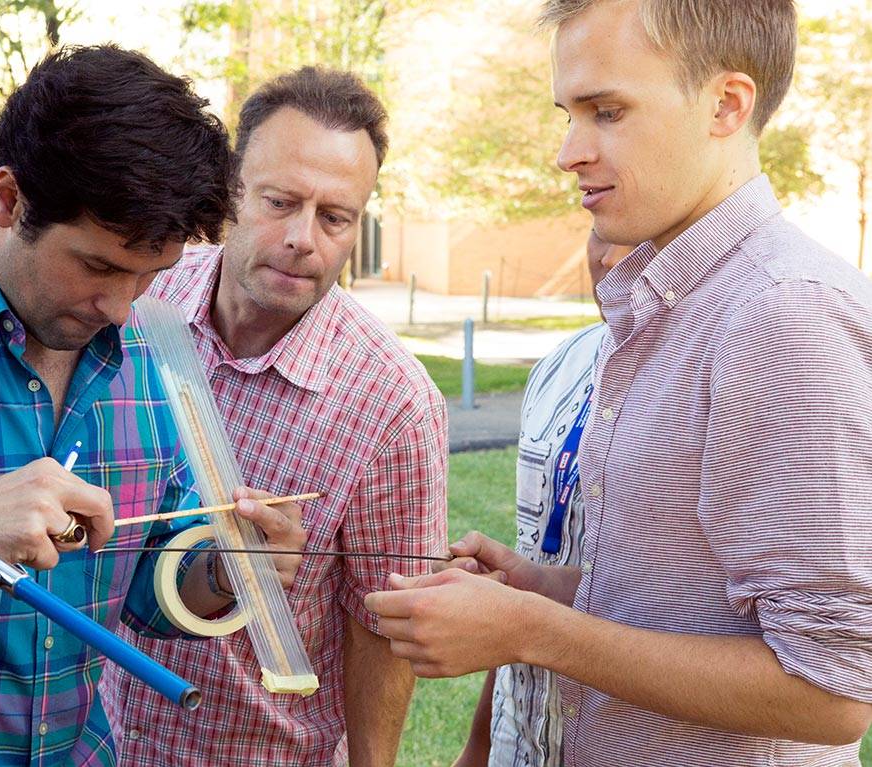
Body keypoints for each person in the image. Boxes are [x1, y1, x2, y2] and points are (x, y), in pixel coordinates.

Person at [367, 1, 872, 765]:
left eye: (607, 111)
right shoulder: (667, 304)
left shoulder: (782, 313)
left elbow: (832, 691)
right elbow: (701, 606)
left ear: (726, 106)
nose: (568, 151)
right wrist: (541, 589)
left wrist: (531, 631)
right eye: (568, 114)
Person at [0, 45, 307, 766]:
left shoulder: (152, 343)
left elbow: (150, 581)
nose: (122, 307)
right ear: (9, 199)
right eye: (100, 267)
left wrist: (223, 568)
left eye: (152, 274)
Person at [100, 67, 448, 767]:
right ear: (230, 191)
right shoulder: (140, 301)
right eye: (280, 201)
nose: (303, 238)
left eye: (335, 217)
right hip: (100, 740)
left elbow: (382, 622)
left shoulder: (394, 403)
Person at [453, 233, 629, 767]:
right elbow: (533, 572)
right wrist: (480, 746)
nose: (611, 258)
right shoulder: (561, 365)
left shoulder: (738, 368)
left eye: (637, 238)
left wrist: (525, 622)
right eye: (601, 232)